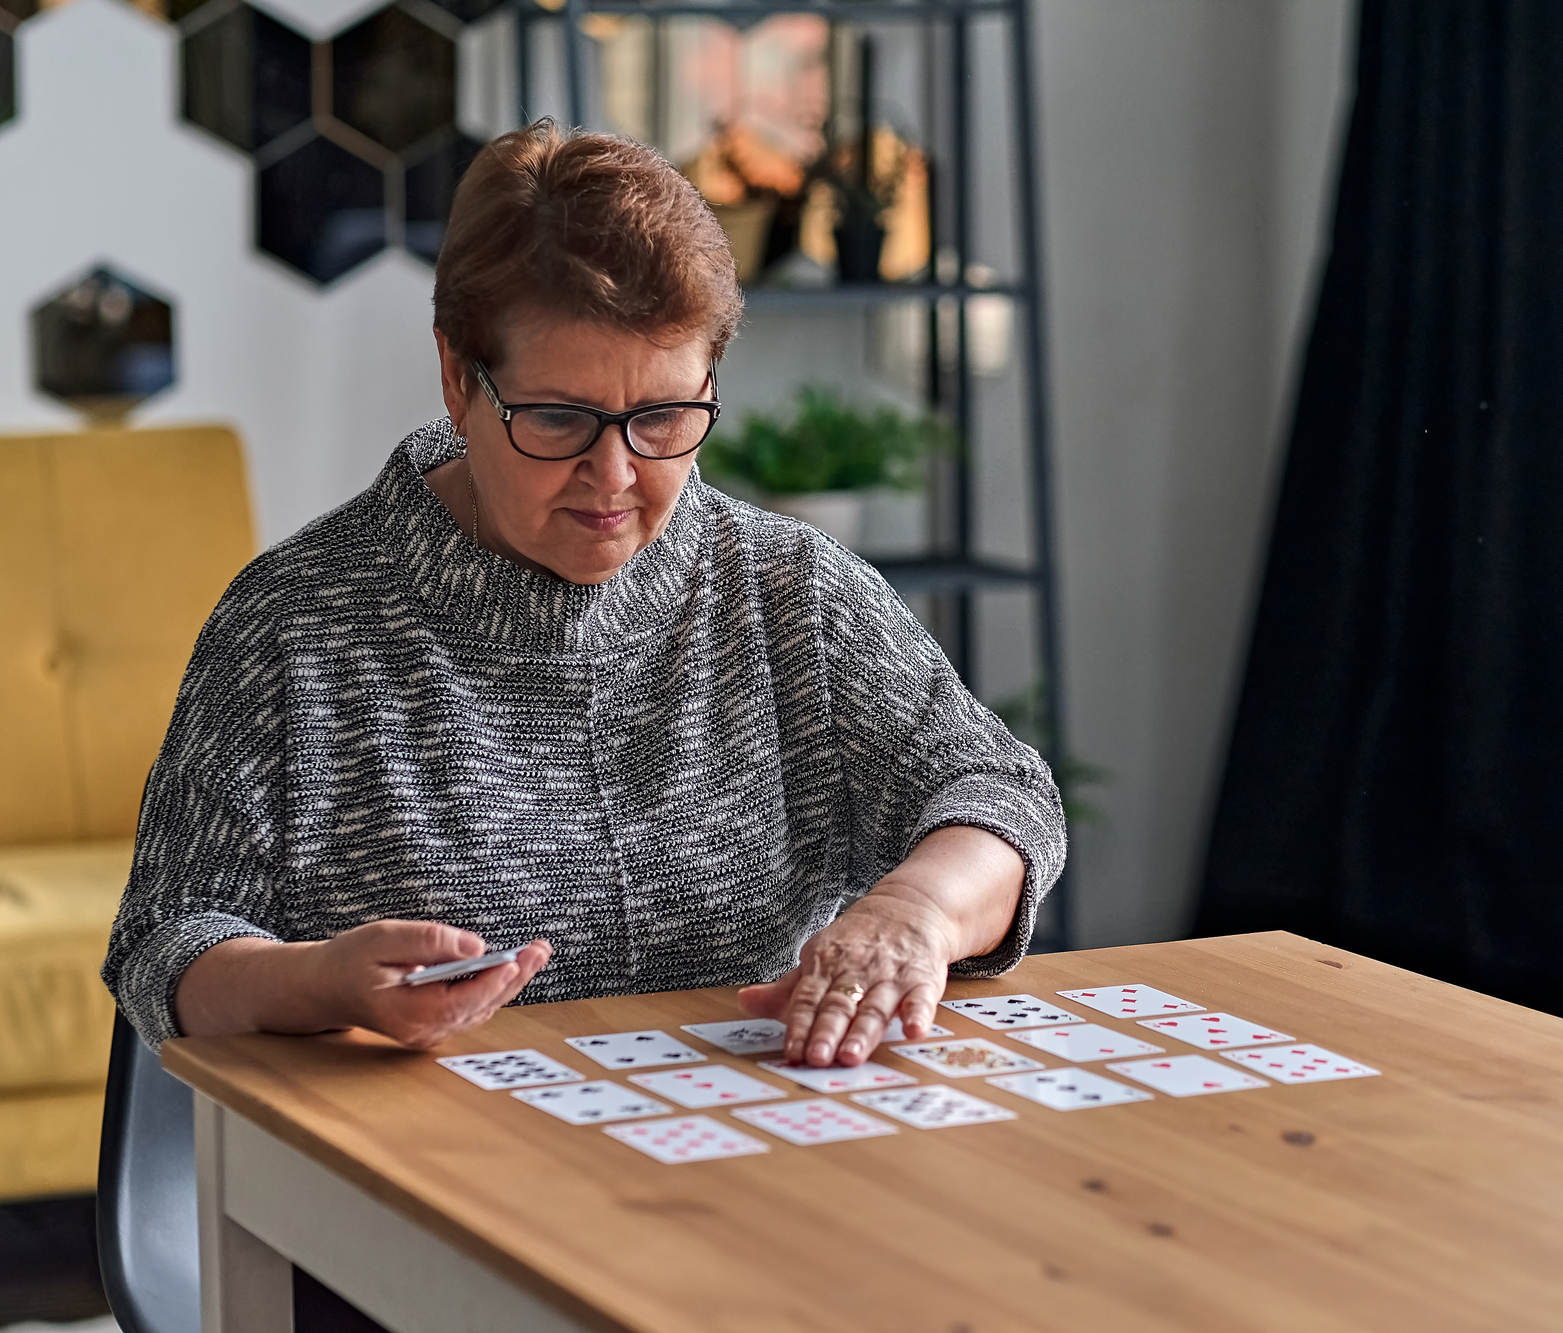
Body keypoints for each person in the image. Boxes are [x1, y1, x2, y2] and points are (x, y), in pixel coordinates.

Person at [101, 121, 1065, 1069]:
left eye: (664, 417)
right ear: (456, 375)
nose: (614, 477)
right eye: (559, 418)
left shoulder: (787, 591)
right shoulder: (296, 623)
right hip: (416, 1181)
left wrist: (916, 914)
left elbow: (1002, 797)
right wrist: (315, 985)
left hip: (754, 1163)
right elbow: (166, 943)